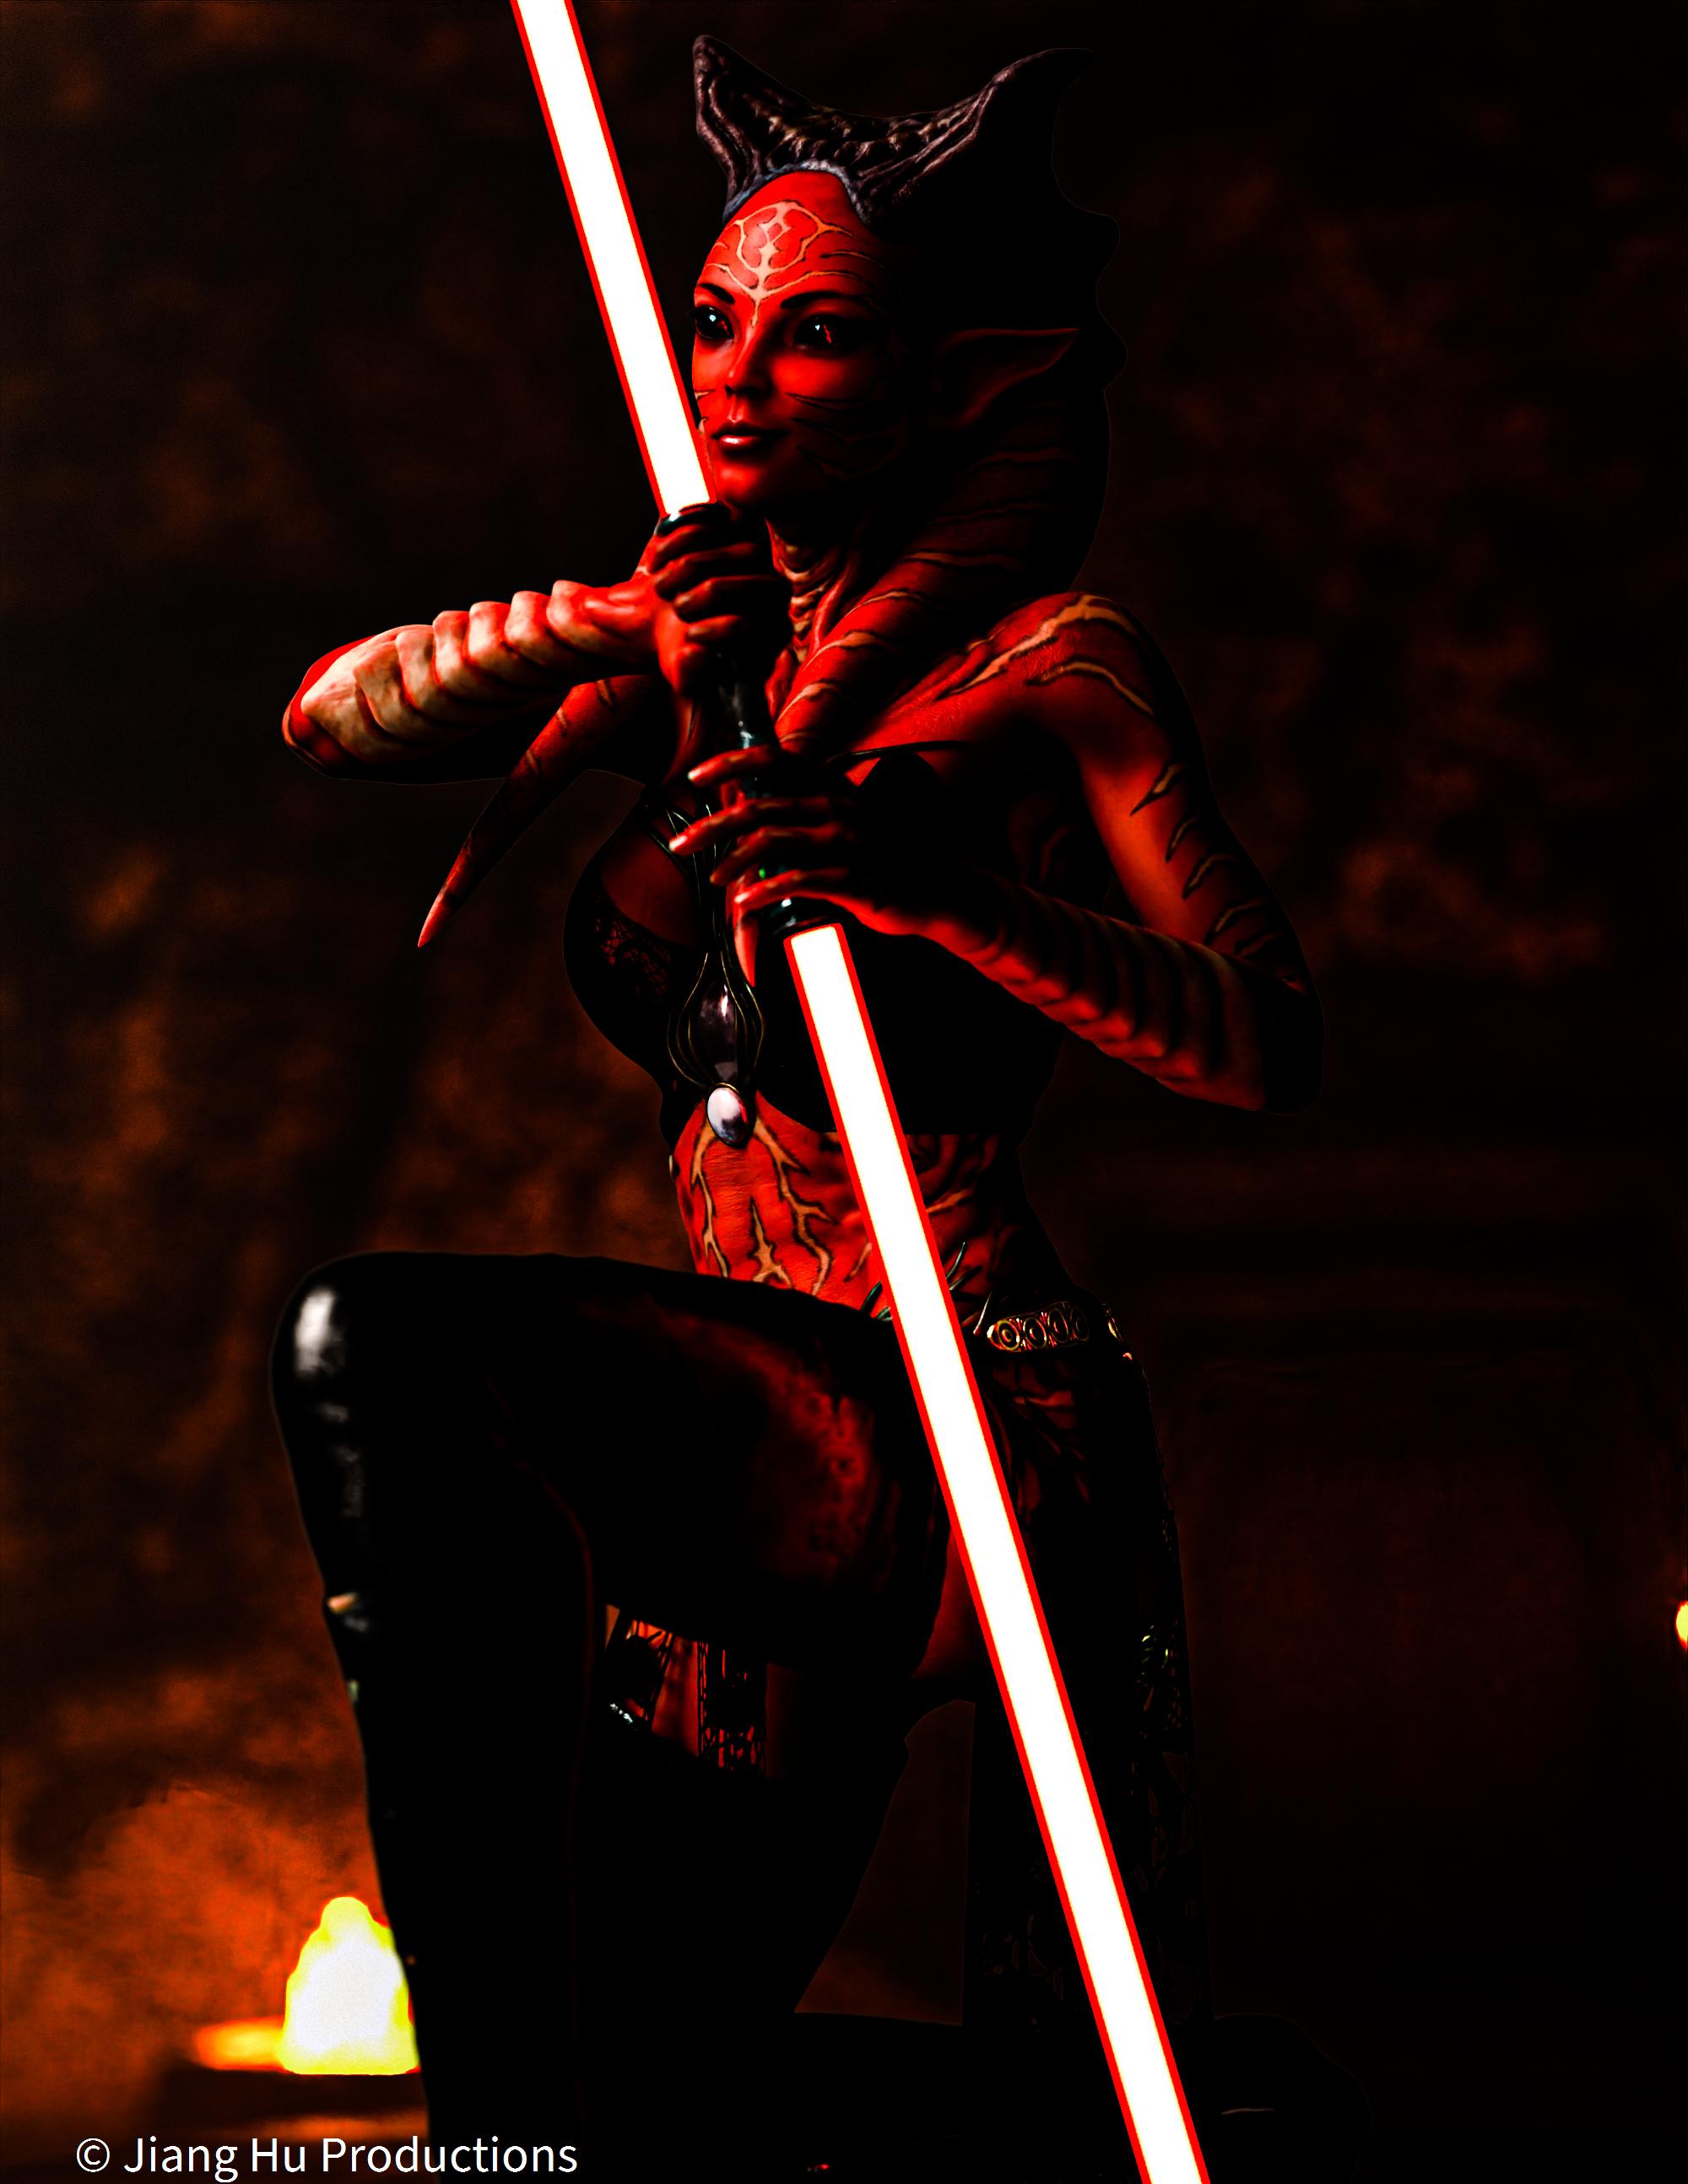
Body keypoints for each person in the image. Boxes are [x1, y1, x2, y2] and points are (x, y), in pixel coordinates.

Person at [272, 37, 1322, 2178]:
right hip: (757, 1444)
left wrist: (939, 892)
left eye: (816, 333)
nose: (739, 377)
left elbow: (1260, 1040)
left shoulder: (1052, 667)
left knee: (378, 1345)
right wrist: (602, 619)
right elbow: (325, 720)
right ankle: (1232, 2117)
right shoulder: (698, 658)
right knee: (628, 2087)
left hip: (960, 1412)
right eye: (715, 321)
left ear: (949, 385)